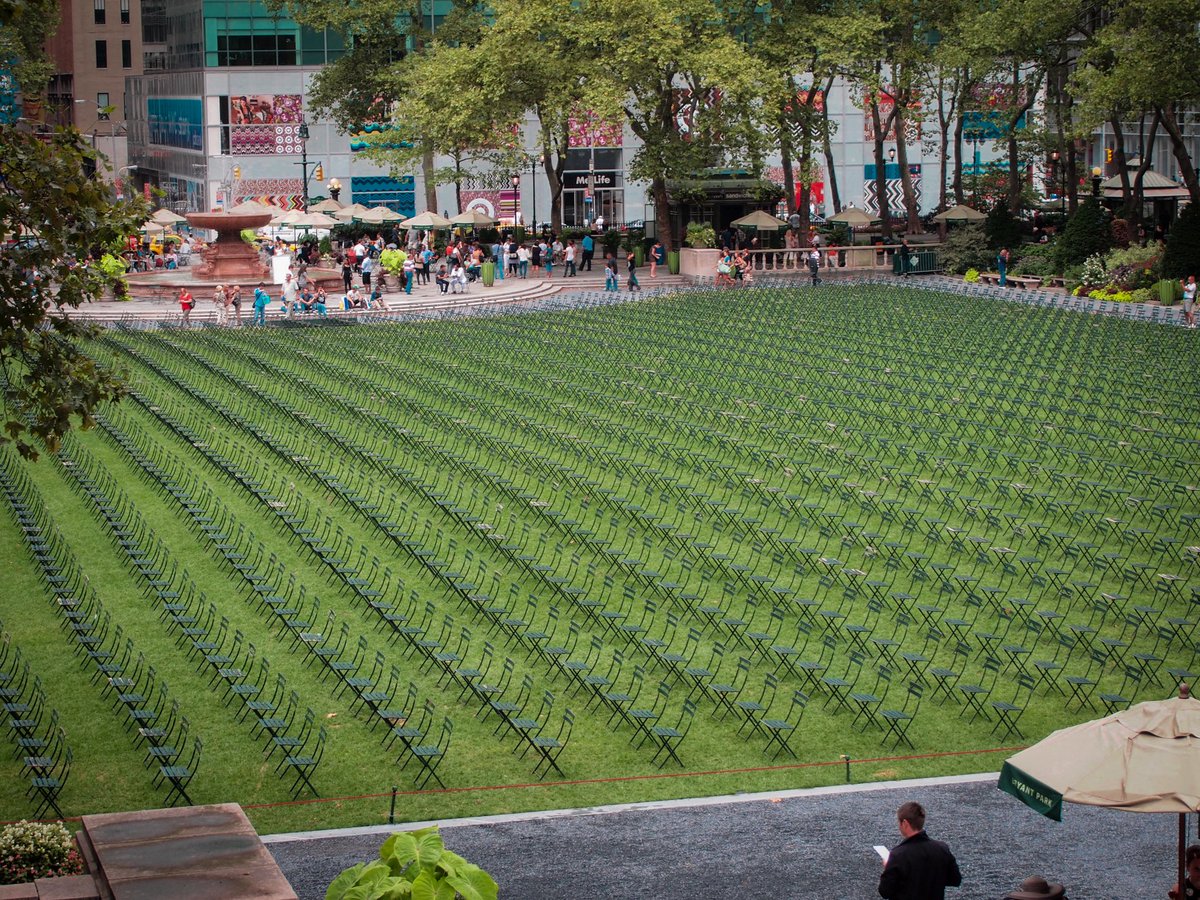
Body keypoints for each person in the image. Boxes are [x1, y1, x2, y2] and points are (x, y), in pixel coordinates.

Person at [878, 801, 962, 900]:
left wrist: (887, 867)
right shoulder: (942, 849)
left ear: (905, 823)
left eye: (899, 822)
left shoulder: (898, 855)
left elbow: (885, 892)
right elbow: (955, 880)